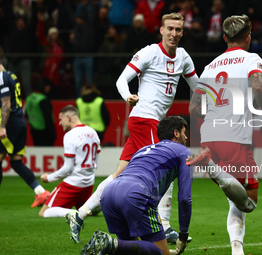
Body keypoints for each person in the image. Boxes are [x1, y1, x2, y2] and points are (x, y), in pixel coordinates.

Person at [65, 12, 198, 244]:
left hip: (151, 122)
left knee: (119, 175)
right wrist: (128, 96)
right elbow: (121, 80)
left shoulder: (184, 57)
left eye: (178, 30)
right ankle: (164, 225)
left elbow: (196, 85)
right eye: (170, 29)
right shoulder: (149, 52)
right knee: (165, 166)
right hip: (144, 118)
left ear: (182, 32)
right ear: (162, 30)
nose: (174, 34)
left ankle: (79, 213)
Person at [188, 15, 262, 255]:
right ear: (248, 38)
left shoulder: (210, 66)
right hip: (235, 137)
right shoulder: (251, 59)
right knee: (249, 202)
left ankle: (237, 250)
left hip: (209, 137)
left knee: (234, 198)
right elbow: (257, 85)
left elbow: (193, 108)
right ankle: (210, 166)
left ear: (225, 38)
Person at [81, 116, 191, 255]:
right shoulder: (183, 151)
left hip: (109, 194)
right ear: (176, 133)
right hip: (136, 195)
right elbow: (184, 198)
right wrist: (183, 234)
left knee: (130, 250)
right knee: (161, 253)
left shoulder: (143, 150)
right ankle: (111, 243)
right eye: (184, 132)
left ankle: (111, 244)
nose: (186, 138)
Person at [0, 62, 50, 207]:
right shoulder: (12, 75)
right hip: (19, 121)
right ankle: (41, 192)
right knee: (16, 162)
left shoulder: (1, 77)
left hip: (9, 124)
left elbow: (6, 104)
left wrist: (2, 126)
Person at [38, 105, 101, 217]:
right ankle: (97, 204)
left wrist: (49, 178)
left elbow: (68, 168)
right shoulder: (93, 132)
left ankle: (73, 213)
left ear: (68, 117)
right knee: (87, 211)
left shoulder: (70, 135)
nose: (59, 123)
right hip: (88, 184)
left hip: (73, 184)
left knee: (43, 213)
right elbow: (96, 161)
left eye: (61, 119)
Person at [25, 81, 56, 146]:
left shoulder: (29, 97)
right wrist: (53, 132)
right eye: (48, 87)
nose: (49, 88)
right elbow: (48, 117)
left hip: (33, 129)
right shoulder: (42, 99)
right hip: (45, 131)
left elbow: (25, 112)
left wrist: (31, 122)